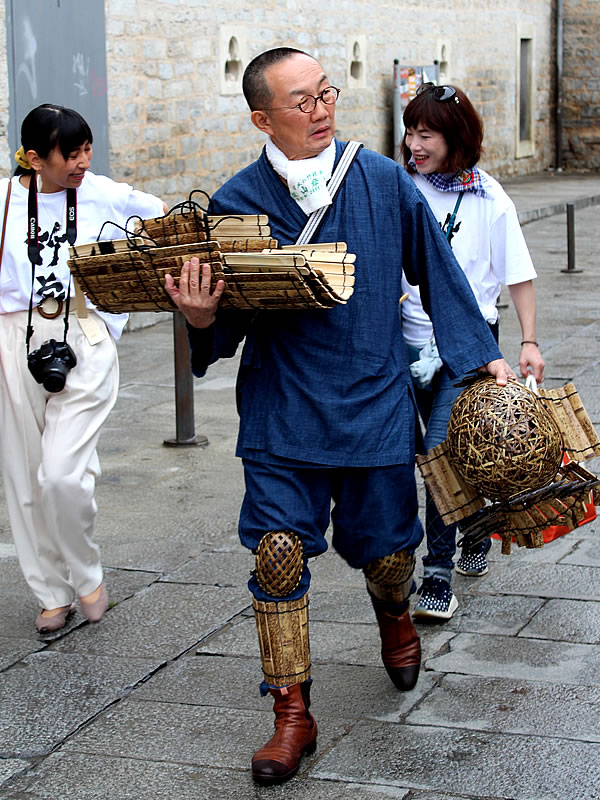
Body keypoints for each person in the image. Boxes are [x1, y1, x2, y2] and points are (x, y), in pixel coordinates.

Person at [165, 48, 515, 786]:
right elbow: (221, 331)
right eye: (302, 101)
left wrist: (482, 359)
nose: (322, 109)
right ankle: (292, 714)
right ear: (263, 118)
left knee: (389, 554)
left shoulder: (384, 181)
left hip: (375, 403)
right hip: (282, 411)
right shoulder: (235, 202)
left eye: (326, 93)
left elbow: (440, 274)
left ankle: (393, 614)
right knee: (278, 555)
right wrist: (200, 317)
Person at [0, 104, 166, 634]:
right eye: (69, 154)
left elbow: (165, 221)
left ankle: (87, 574)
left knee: (61, 475)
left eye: (86, 150)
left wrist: (117, 294)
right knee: (26, 477)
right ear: (32, 158)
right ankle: (50, 591)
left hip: (84, 333)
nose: (82, 162)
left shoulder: (104, 193)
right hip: (14, 334)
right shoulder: (4, 202)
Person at [399, 84, 545, 622]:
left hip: (471, 348)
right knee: (436, 456)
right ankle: (472, 527)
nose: (415, 143)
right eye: (411, 130)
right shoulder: (398, 187)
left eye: (427, 133)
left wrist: (528, 342)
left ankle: (437, 574)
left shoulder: (488, 197)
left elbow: (518, 275)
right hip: (405, 343)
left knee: (442, 454)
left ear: (455, 138)